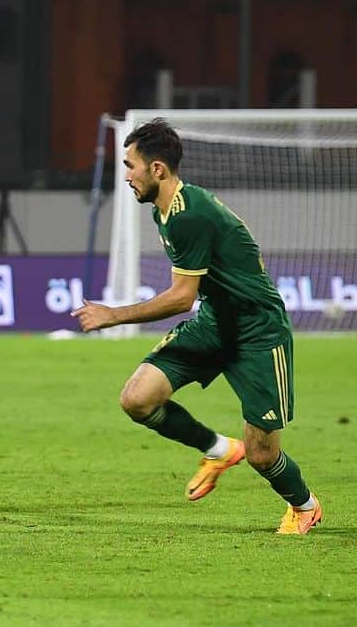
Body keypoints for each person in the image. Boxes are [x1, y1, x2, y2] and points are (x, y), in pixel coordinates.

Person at [72, 118, 320, 535]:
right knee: (137, 398)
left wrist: (113, 314)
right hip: (215, 323)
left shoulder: (189, 215)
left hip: (257, 331)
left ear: (158, 170)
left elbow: (179, 297)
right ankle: (219, 449)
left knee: (262, 455)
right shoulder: (164, 210)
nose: (127, 175)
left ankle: (305, 505)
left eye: (130, 165)